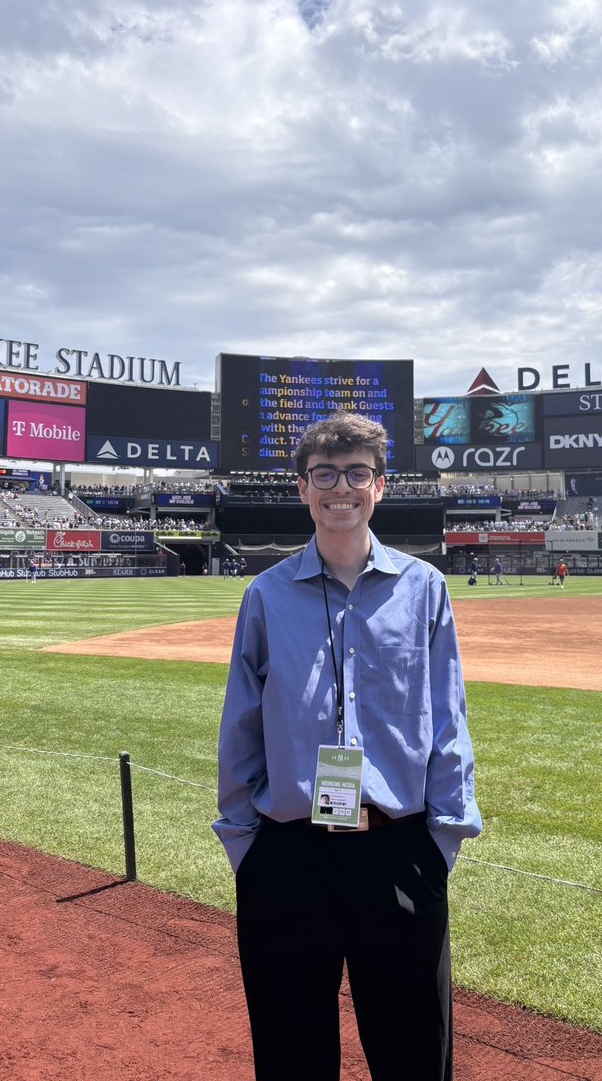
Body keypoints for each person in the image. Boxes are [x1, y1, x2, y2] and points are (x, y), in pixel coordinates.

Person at [214, 411, 480, 1081]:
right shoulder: (266, 596)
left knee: (414, 1053)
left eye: (356, 473)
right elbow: (240, 724)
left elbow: (448, 715)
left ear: (380, 486)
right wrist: (246, 844)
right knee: (290, 1053)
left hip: (398, 850)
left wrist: (441, 840)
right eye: (325, 474)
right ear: (303, 488)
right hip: (288, 854)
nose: (341, 487)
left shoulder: (425, 589)